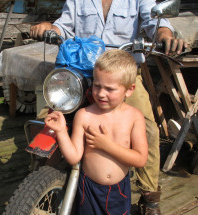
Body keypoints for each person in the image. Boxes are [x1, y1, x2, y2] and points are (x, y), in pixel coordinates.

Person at [30, 1, 188, 214]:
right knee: (51, 111)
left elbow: (154, 23)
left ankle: (150, 197)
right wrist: (50, 28)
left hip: (121, 76)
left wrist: (164, 33)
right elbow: (64, 26)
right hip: (85, 71)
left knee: (149, 129)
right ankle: (42, 180)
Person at [45, 49, 148, 215]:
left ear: (129, 90)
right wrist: (61, 132)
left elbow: (141, 159)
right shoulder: (84, 115)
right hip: (89, 189)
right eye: (97, 85)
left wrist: (107, 146)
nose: (101, 93)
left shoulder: (134, 117)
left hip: (118, 191)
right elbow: (74, 157)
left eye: (110, 89)